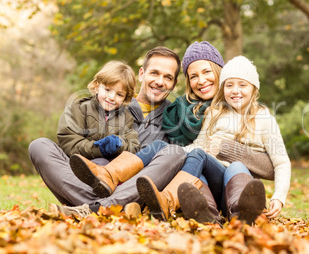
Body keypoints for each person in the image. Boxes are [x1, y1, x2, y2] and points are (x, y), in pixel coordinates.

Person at [28, 47, 186, 217]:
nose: (160, 82)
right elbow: (69, 142)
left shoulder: (175, 117)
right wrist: (98, 148)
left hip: (130, 188)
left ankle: (92, 208)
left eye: (168, 77)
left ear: (174, 83)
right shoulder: (100, 107)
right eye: (154, 73)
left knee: (175, 152)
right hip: (86, 180)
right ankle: (101, 207)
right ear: (142, 74)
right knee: (39, 146)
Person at [137, 42, 276, 223]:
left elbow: (272, 167)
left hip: (234, 185)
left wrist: (228, 148)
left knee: (234, 166)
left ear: (220, 71)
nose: (201, 80)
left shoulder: (242, 106)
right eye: (193, 76)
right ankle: (205, 213)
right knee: (195, 163)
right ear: (188, 81)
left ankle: (241, 211)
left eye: (207, 71)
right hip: (199, 184)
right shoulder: (177, 112)